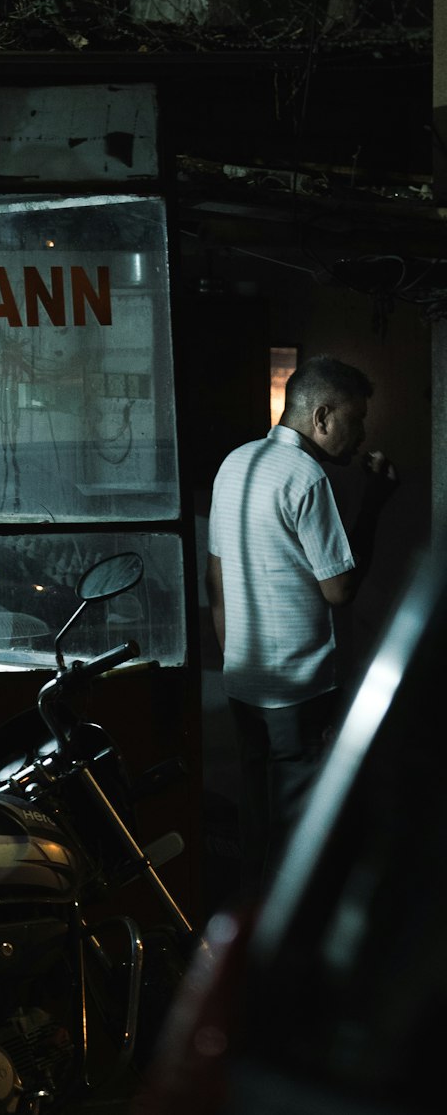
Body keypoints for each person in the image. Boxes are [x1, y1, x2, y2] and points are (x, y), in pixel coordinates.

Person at [206, 355, 398, 897]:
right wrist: (375, 505)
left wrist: (233, 656)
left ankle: (241, 931)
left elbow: (215, 578)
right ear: (321, 416)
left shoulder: (235, 463)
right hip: (301, 687)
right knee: (298, 830)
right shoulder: (307, 476)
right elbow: (340, 588)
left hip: (245, 681)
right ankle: (283, 951)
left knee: (256, 818)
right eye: (355, 420)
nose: (360, 436)